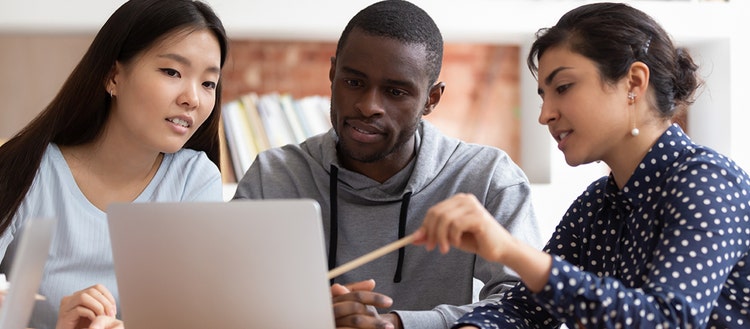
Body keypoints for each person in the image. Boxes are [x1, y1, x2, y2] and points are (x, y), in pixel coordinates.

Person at [414, 2, 750, 328]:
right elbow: (523, 312)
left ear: (634, 82)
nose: (545, 115)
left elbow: (666, 320)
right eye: (544, 96)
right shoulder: (596, 204)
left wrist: (509, 250)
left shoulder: (708, 180)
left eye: (563, 87)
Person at [232, 1, 543, 328]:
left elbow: (529, 306)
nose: (368, 106)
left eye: (395, 92)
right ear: (332, 73)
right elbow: (224, 299)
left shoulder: (488, 178)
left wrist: (400, 324)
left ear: (431, 99)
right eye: (353, 83)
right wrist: (307, 318)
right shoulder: (273, 177)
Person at [0, 0, 229, 328]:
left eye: (208, 83)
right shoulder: (28, 172)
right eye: (172, 72)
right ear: (113, 76)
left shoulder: (195, 179)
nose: (193, 98)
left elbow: (194, 316)